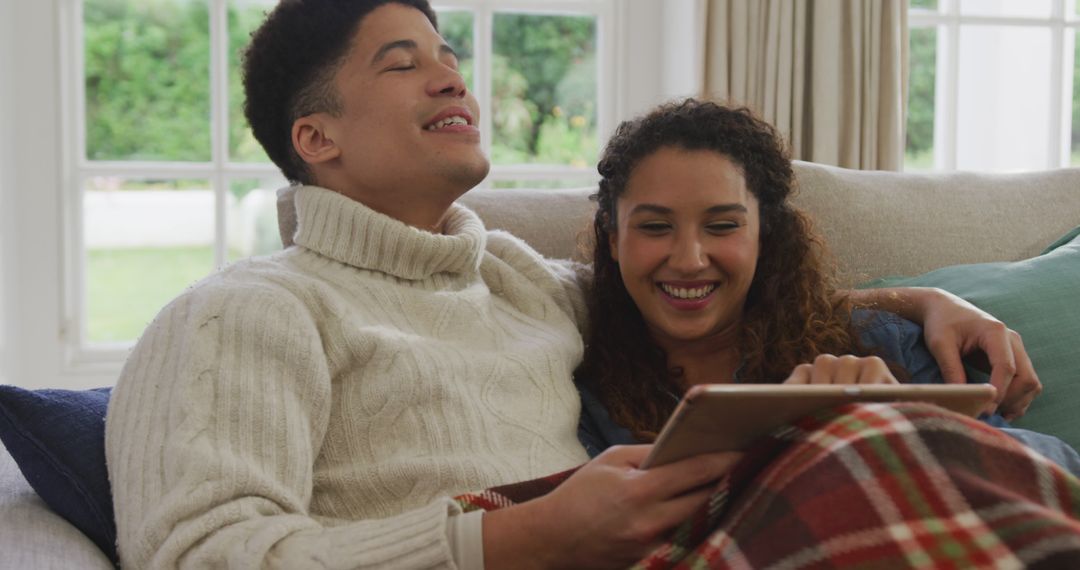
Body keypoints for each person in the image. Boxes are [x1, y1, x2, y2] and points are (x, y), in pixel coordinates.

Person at [103, 2, 1051, 568]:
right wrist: (522, 539)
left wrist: (922, 302)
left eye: (446, 56)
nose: (450, 79)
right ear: (317, 140)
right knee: (866, 458)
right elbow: (199, 556)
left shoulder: (524, 286)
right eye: (405, 64)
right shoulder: (242, 312)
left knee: (878, 436)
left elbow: (698, 290)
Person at [575, 98, 1080, 476]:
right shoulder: (580, 389)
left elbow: (1056, 472)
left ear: (763, 237)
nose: (689, 260)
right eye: (655, 227)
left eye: (723, 226)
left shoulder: (876, 341)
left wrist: (906, 426)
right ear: (613, 239)